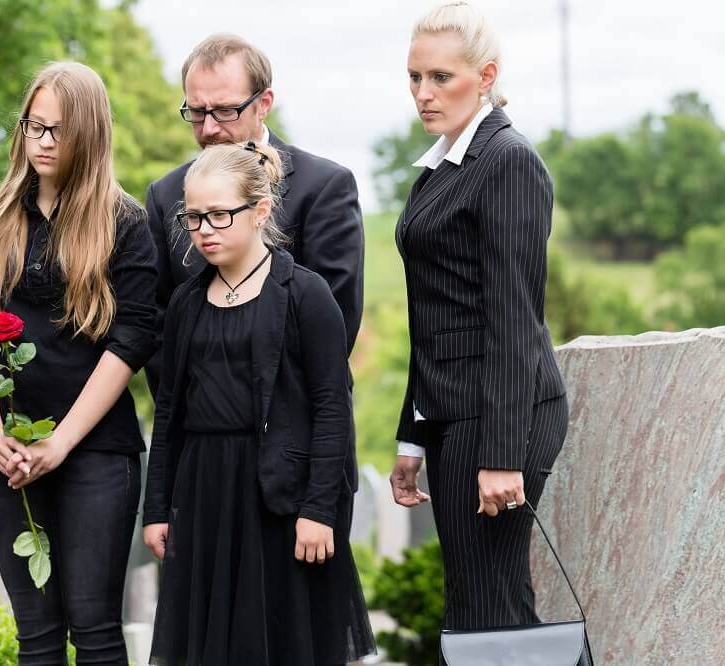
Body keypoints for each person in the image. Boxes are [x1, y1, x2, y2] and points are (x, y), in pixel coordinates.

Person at [0, 61, 158, 665]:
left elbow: (132, 340)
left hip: (94, 453)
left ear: (89, 135)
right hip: (8, 452)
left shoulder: (125, 224)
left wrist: (62, 443)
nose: (41, 141)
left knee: (94, 632)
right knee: (36, 638)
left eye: (58, 130)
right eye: (33, 126)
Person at [142, 141, 375, 666]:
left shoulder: (305, 295)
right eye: (193, 217)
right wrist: (157, 508)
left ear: (261, 211)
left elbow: (331, 407)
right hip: (205, 492)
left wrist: (319, 511)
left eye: (220, 215)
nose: (204, 230)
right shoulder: (185, 302)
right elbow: (170, 412)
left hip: (279, 497)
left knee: (282, 643)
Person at [387, 0, 569, 649]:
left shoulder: (508, 161)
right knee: (479, 610)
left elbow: (515, 322)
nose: (423, 93)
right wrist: (412, 437)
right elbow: (430, 316)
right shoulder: (442, 166)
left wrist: (500, 456)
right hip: (451, 416)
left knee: (490, 613)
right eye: (415, 77)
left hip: (498, 420)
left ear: (485, 75)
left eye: (441, 77)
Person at [144, 33, 365, 390]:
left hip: (296, 423)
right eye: (197, 112)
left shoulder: (324, 187)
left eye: (226, 110)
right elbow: (155, 324)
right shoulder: (165, 194)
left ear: (264, 103)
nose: (210, 128)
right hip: (196, 428)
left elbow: (335, 322)